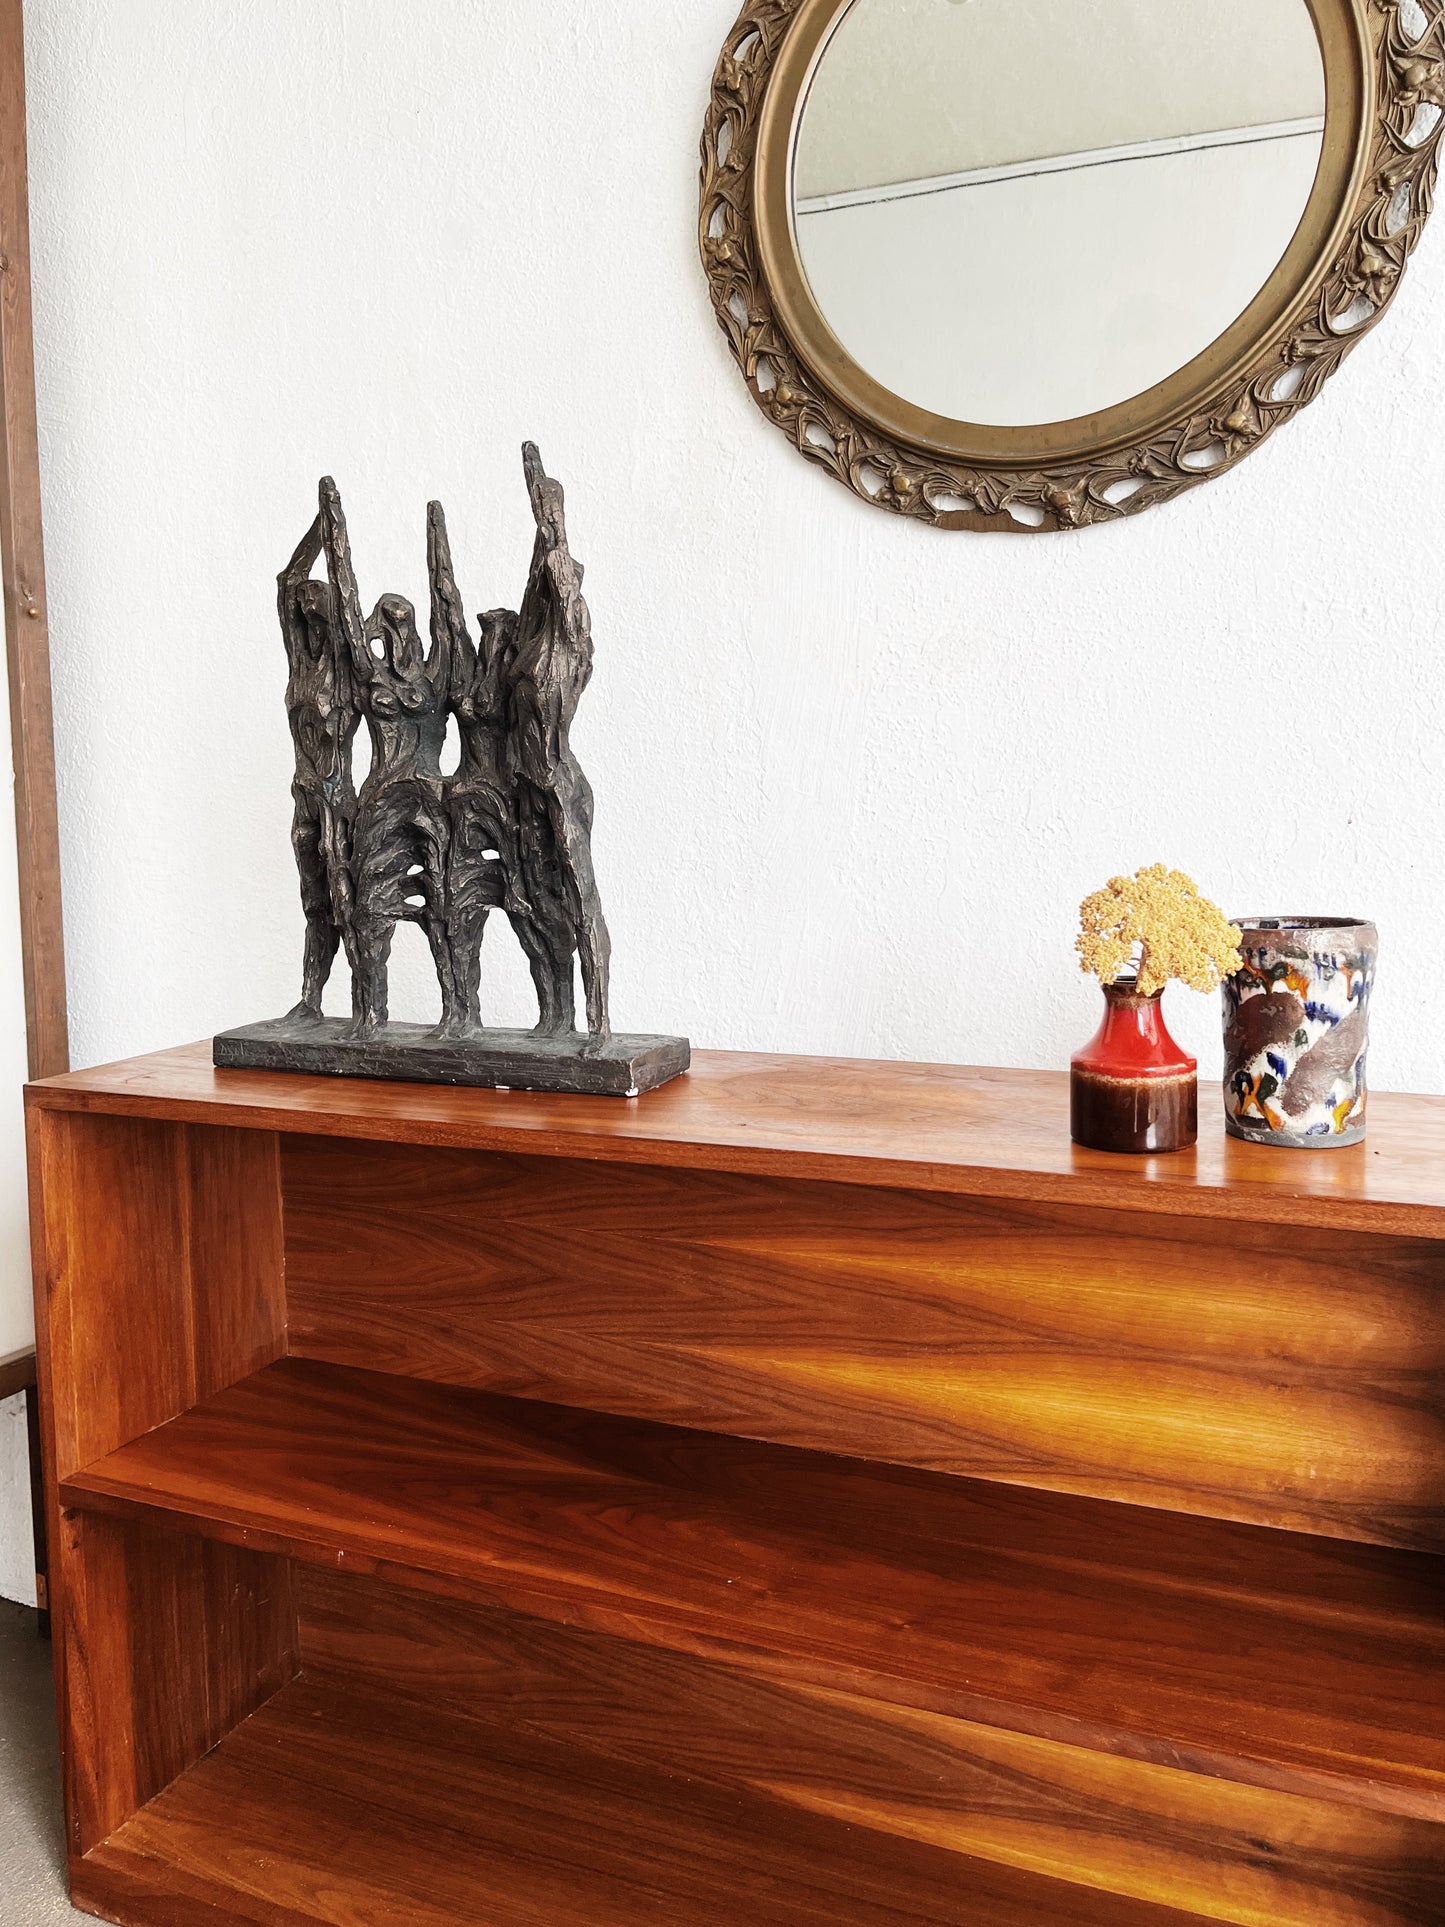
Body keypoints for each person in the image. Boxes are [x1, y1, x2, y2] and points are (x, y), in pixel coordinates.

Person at [319, 477, 453, 1037]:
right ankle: (371, 1015)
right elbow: (347, 606)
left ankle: (458, 1014)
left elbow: (447, 602)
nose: (390, 634)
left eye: (397, 623)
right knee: (370, 907)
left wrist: (436, 535)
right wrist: (334, 525)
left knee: (447, 904)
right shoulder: (369, 675)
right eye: (385, 623)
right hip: (381, 803)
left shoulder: (440, 670)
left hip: (431, 800)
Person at [506, 444, 612, 1045]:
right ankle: (556, 1015)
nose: (555, 584)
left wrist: (554, 530)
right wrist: (539, 512)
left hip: (558, 782)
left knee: (578, 898)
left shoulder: (573, 652)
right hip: (525, 785)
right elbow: (538, 588)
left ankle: (598, 1022)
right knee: (530, 900)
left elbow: (560, 579)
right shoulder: (528, 647)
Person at [277, 514, 358, 1022]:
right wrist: (318, 528)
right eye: (302, 610)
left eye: (316, 606)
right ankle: (311, 998)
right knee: (314, 901)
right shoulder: (299, 665)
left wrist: (337, 535)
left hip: (336, 798)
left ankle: (365, 1008)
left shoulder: (345, 668)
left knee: (344, 897)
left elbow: (345, 592)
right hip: (304, 794)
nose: (306, 612)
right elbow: (288, 579)